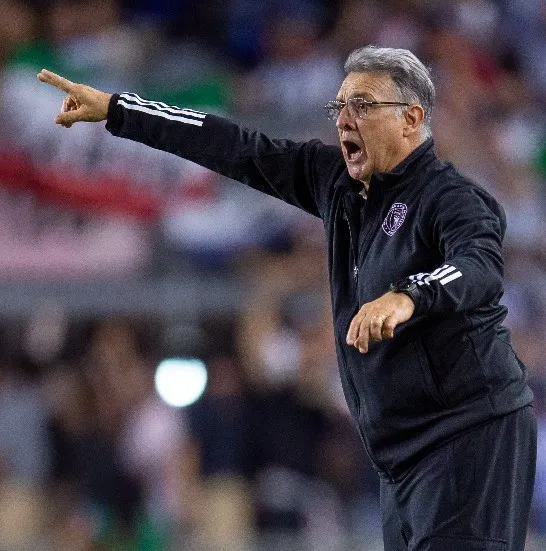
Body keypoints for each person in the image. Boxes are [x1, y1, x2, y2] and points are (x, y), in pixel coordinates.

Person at [37, 45, 536, 550]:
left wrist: (410, 295)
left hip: (469, 434)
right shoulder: (335, 184)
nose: (344, 120)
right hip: (401, 457)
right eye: (340, 106)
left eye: (363, 106)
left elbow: (478, 266)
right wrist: (118, 110)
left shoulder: (452, 199)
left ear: (411, 119)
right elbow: (231, 146)